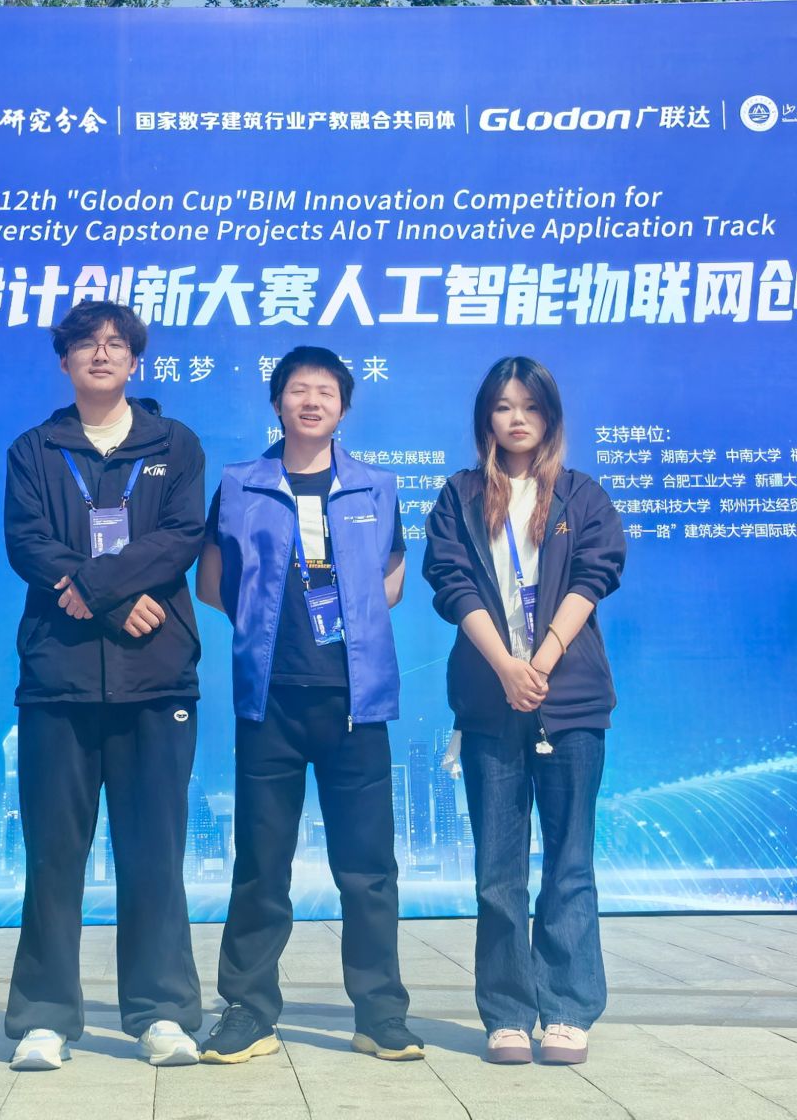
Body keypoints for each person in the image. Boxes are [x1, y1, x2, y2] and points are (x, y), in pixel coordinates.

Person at [194, 345, 424, 1064]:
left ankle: (380, 1014)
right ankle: (248, 1010)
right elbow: (210, 581)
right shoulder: (241, 485)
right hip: (271, 702)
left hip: (356, 703)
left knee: (368, 869)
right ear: (277, 403)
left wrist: (351, 626)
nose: (312, 401)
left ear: (343, 407)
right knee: (262, 866)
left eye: (326, 390)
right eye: (299, 389)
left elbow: (392, 577)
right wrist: (265, 627)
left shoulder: (375, 487)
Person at [0, 300, 207, 1071]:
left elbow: (181, 536)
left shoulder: (174, 444)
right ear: (64, 362)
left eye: (116, 344)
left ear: (135, 361)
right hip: (58, 678)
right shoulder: (35, 449)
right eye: (86, 344)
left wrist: (101, 588)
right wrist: (114, 599)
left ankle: (162, 1014)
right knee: (55, 858)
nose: (101, 354)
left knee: (154, 854)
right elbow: (28, 543)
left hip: (156, 677)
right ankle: (45, 1018)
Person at [421, 356, 626, 1067]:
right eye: (504, 406)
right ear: (487, 415)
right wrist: (506, 667)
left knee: (570, 863)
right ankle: (507, 1013)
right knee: (497, 871)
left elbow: (596, 575)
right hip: (489, 701)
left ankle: (567, 1009)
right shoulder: (460, 494)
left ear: (550, 417)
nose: (517, 419)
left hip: (570, 701)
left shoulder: (580, 494)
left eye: (530, 407)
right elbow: (450, 583)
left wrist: (540, 661)